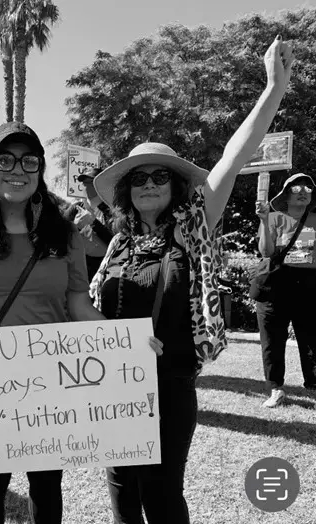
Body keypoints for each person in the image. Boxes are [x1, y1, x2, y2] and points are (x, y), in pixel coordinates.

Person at [89, 36, 292, 524]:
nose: (150, 184)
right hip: (112, 385)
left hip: (170, 381)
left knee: (161, 493)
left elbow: (232, 158)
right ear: (126, 192)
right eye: (139, 179)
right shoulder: (117, 244)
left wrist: (273, 89)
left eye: (160, 176)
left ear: (176, 184)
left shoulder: (194, 225)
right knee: (121, 492)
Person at [0, 122, 157, 524]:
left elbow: (76, 300)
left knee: (46, 484)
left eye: (29, 161)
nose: (17, 170)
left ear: (39, 171)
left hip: (47, 382)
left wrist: (123, 340)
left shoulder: (64, 232)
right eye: (5, 159)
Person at [255, 172, 316, 407]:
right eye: (296, 188)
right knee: (272, 340)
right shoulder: (273, 218)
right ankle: (276, 389)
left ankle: (312, 383)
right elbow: (266, 253)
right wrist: (263, 220)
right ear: (286, 195)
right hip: (275, 286)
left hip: (309, 286)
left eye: (307, 189)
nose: (302, 192)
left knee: (311, 338)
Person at [64, 167, 114, 281]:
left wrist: (93, 222)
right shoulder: (76, 208)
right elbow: (59, 233)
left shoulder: (111, 211)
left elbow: (116, 241)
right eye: (84, 182)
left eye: (91, 182)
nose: (86, 185)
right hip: (78, 268)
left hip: (104, 270)